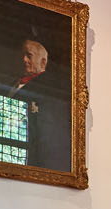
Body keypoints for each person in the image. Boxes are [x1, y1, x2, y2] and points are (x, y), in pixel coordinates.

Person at [10, 37, 71, 172]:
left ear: (43, 63)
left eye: (29, 56)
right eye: (23, 55)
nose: (24, 60)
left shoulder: (49, 87)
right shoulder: (15, 82)